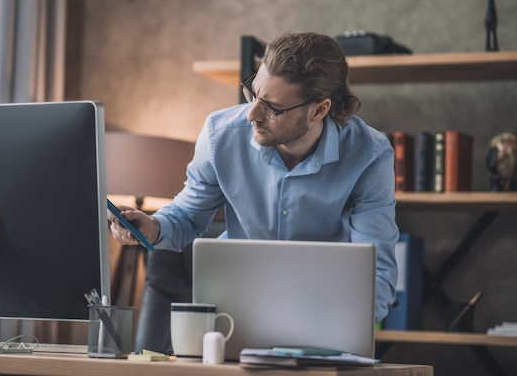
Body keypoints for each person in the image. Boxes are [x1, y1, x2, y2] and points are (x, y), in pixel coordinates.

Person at [109, 31, 399, 323]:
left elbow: (377, 274)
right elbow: (187, 216)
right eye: (254, 93)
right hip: (235, 315)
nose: (253, 115)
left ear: (319, 110)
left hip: (325, 316)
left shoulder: (369, 155)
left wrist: (342, 329)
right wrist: (153, 227)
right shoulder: (219, 135)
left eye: (272, 107)